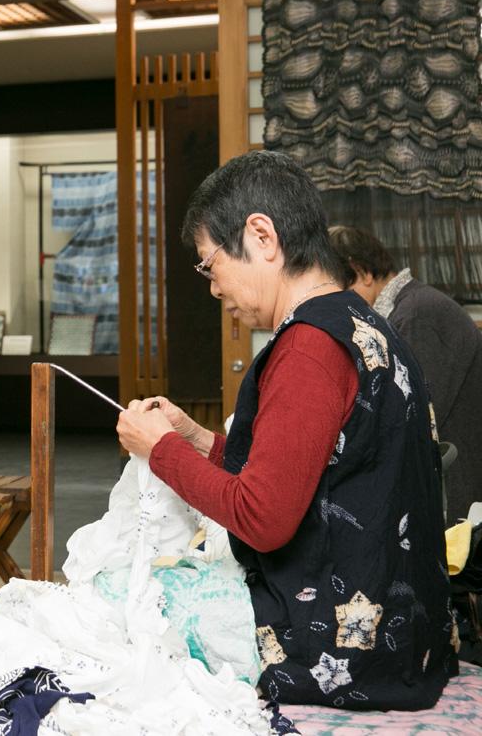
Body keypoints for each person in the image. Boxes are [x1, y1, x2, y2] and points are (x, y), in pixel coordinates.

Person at [116, 150, 456, 710]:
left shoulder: (309, 349)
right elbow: (320, 471)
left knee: (121, 600)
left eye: (209, 264)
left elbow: (264, 518)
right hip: (404, 639)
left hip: (337, 650)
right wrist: (199, 442)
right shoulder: (357, 322)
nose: (213, 287)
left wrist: (163, 452)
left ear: (261, 236)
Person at [328, 225, 482, 523]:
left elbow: (414, 416)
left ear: (362, 272)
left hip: (459, 490)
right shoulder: (405, 310)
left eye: (339, 291)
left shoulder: (416, 314)